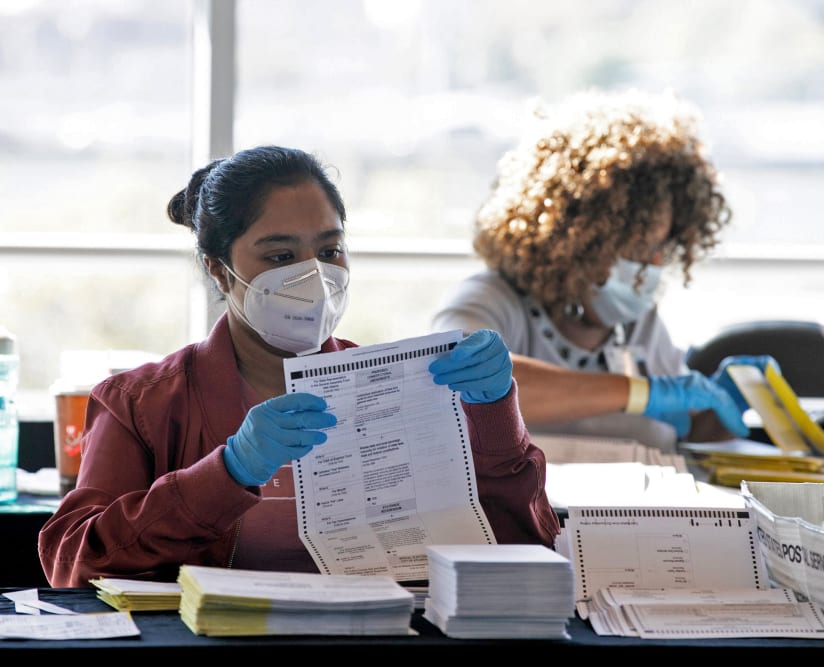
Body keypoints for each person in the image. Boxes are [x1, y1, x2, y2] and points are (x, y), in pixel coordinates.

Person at [38, 145, 560, 588]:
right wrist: (225, 473)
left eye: (330, 250)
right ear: (219, 272)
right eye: (280, 257)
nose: (314, 276)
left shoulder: (401, 389)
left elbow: (525, 549)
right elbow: (71, 562)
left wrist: (495, 417)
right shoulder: (141, 403)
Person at [431, 89, 775, 455]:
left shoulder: (638, 324)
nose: (655, 265)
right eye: (639, 248)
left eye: (661, 248)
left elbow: (681, 432)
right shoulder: (491, 300)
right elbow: (454, 379)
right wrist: (639, 393)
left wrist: (720, 412)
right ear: (577, 237)